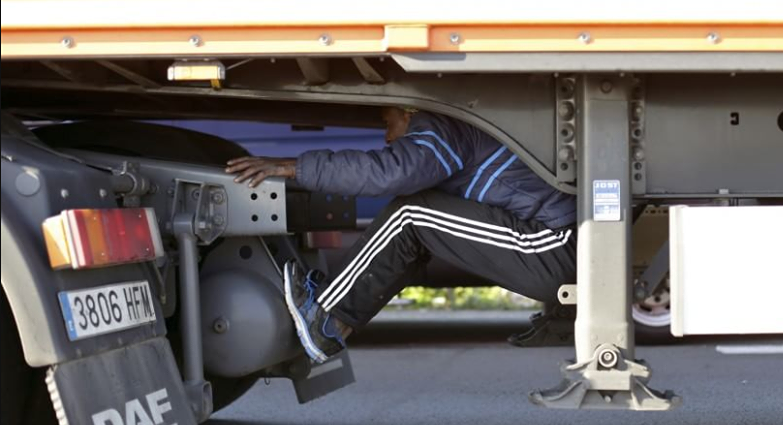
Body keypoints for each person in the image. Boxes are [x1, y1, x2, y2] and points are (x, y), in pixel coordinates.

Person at [225, 107, 576, 363]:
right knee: (418, 223)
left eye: (387, 123)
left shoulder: (441, 127)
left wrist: (294, 168)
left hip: (555, 244)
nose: (388, 136)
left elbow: (390, 173)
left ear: (409, 111)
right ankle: (333, 327)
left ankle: (328, 320)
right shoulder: (461, 132)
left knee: (411, 214)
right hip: (557, 243)